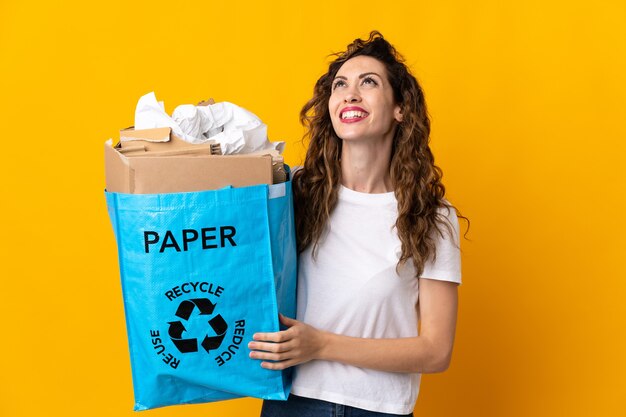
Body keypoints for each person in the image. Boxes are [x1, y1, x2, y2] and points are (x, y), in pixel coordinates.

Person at [248, 31, 467, 417]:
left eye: (368, 82)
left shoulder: (432, 216)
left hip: (378, 409)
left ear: (401, 109)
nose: (350, 94)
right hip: (291, 402)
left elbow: (435, 350)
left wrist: (321, 345)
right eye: (340, 85)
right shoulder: (293, 191)